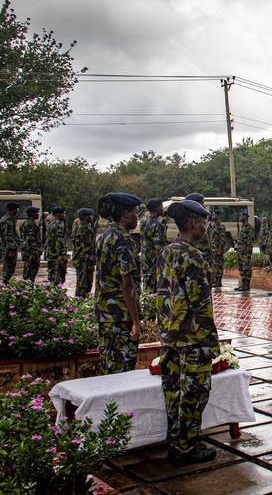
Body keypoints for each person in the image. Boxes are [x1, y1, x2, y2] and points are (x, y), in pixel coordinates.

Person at [155, 199, 219, 467]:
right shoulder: (193, 256)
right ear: (193, 224)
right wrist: (209, 342)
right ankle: (187, 447)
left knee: (173, 391)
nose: (205, 227)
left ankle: (175, 441)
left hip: (170, 336)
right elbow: (200, 303)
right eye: (203, 223)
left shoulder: (167, 253)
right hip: (192, 338)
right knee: (194, 393)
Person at [94, 193, 142, 375]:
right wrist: (136, 322)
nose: (138, 218)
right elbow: (128, 286)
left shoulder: (104, 237)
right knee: (121, 371)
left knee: (108, 365)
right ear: (127, 214)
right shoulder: (124, 240)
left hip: (104, 313)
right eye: (136, 213)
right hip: (120, 315)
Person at [140, 199, 169, 293]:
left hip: (146, 262)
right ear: (156, 209)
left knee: (147, 289)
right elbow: (160, 248)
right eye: (161, 206)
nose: (162, 209)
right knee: (154, 292)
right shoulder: (157, 225)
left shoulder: (144, 223)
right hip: (154, 264)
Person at [72, 208, 97, 298]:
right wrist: (90, 263)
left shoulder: (84, 227)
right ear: (83, 217)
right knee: (83, 285)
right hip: (84, 261)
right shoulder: (84, 229)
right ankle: (79, 303)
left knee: (84, 284)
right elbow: (86, 248)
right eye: (89, 216)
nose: (91, 217)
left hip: (82, 260)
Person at [45, 207, 69, 285]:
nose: (64, 215)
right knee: (56, 280)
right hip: (56, 257)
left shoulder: (52, 225)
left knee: (52, 278)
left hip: (52, 256)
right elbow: (60, 244)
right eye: (63, 213)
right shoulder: (57, 226)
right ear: (58, 214)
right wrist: (63, 260)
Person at [233, 211, 255, 292]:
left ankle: (247, 284)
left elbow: (250, 241)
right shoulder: (241, 227)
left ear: (246, 217)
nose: (240, 217)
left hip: (245, 252)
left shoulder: (250, 228)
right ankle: (243, 283)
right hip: (240, 251)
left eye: (241, 216)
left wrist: (249, 252)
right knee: (241, 268)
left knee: (247, 268)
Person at [20, 206, 42, 283]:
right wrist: (35, 255)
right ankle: (28, 291)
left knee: (28, 274)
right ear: (31, 214)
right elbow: (31, 241)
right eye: (36, 213)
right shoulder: (30, 224)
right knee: (30, 275)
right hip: (31, 254)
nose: (38, 214)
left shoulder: (27, 223)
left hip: (28, 253)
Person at [0, 201, 19, 284]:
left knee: (7, 267)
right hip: (8, 248)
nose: (17, 211)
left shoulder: (4, 218)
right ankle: (6, 284)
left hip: (5, 246)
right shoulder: (9, 219)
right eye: (16, 209)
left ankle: (6, 283)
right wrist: (11, 249)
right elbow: (8, 235)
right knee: (9, 268)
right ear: (13, 210)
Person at [206, 209, 226, 287]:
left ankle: (218, 280)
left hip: (217, 249)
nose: (212, 216)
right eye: (212, 215)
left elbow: (222, 239)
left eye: (214, 215)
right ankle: (214, 280)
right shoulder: (211, 225)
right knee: (214, 265)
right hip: (212, 249)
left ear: (218, 216)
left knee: (219, 265)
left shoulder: (221, 226)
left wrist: (220, 249)